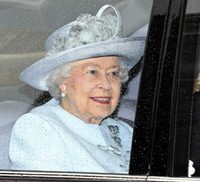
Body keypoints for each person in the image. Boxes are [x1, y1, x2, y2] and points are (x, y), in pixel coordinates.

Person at [9, 5, 145, 173]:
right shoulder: (39, 129)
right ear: (62, 81)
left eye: (113, 73)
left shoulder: (125, 131)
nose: (106, 84)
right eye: (92, 72)